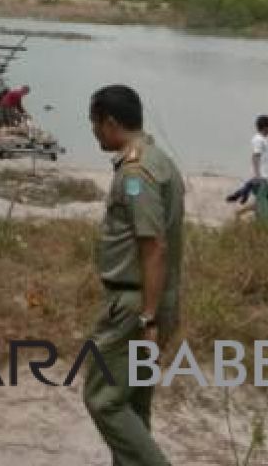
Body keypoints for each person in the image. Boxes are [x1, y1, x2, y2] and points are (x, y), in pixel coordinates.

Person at [83, 85, 185, 466]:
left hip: (134, 304)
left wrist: (148, 317)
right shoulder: (159, 159)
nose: (93, 133)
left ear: (110, 123)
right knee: (134, 405)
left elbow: (153, 246)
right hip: (148, 300)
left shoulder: (137, 171)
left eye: (94, 124)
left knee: (103, 400)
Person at [227, 115, 268, 221]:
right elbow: (255, 156)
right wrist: (258, 175)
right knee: (262, 202)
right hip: (261, 177)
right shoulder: (259, 140)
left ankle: (241, 214)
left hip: (264, 177)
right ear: (266, 127)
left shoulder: (261, 139)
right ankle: (241, 214)